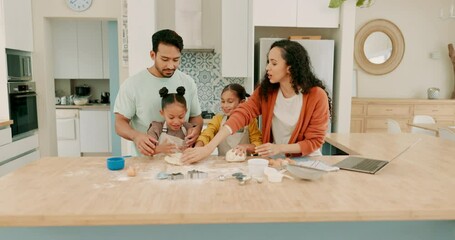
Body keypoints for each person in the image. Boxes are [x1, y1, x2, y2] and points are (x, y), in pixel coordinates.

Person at [182, 39, 331, 164]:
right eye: (268, 62)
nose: (267, 67)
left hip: (307, 161)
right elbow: (241, 114)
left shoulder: (317, 96)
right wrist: (208, 148)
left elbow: (314, 141)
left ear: (289, 68)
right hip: (276, 162)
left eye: (273, 63)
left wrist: (279, 148)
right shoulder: (267, 91)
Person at [114, 29, 203, 156]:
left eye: (176, 59)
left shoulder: (188, 82)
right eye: (165, 59)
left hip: (182, 160)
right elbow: (119, 122)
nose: (171, 65)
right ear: (152, 55)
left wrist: (196, 130)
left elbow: (196, 117)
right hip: (146, 161)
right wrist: (136, 136)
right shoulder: (132, 84)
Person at [194, 83, 262, 156]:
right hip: (222, 163)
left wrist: (246, 147)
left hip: (243, 164)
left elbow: (258, 144)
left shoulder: (250, 121)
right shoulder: (218, 119)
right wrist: (198, 146)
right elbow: (207, 134)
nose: (225, 106)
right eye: (223, 101)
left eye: (230, 102)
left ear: (242, 102)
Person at [147, 87, 196, 154]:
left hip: (182, 164)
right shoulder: (156, 129)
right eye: (171, 117)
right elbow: (147, 151)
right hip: (159, 164)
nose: (176, 122)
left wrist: (191, 146)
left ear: (186, 112)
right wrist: (159, 149)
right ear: (162, 113)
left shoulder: (189, 128)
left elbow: (198, 146)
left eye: (181, 117)